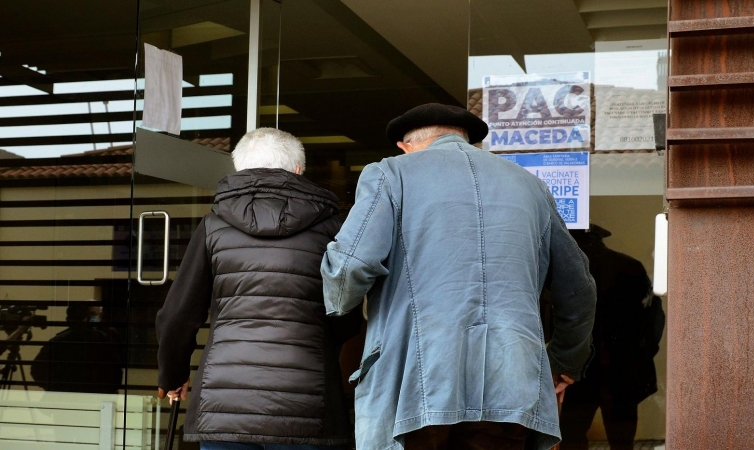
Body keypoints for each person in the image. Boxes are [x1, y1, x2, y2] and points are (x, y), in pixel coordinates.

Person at [321, 103, 597, 450]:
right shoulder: (531, 187)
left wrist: (336, 313)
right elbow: (579, 289)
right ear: (468, 140)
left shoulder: (391, 173)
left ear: (404, 145)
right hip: (512, 383)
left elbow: (351, 266)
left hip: (419, 385)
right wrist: (563, 362)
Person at [156, 128, 361, 450]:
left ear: (239, 170)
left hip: (223, 407)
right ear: (297, 169)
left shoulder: (214, 224)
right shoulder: (332, 228)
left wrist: (172, 376)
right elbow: (345, 315)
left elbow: (178, 315)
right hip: (306, 405)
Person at [559, 225, 665, 450]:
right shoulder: (628, 266)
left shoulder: (569, 271)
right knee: (618, 438)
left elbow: (652, 319)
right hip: (617, 368)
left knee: (573, 435)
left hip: (587, 368)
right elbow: (653, 320)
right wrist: (641, 356)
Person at [30, 303, 122, 393]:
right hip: (96, 398)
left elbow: (37, 370)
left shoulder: (57, 342)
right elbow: (116, 371)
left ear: (67, 320)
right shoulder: (103, 339)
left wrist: (55, 389)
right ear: (88, 319)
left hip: (63, 398)